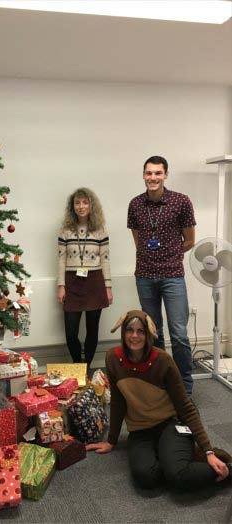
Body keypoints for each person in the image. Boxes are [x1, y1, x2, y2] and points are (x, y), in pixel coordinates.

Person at [86, 310, 231, 491]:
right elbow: (117, 402)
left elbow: (186, 407)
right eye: (129, 330)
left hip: (170, 423)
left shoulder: (162, 360)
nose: (134, 336)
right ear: (123, 333)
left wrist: (208, 451)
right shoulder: (113, 358)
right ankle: (176, 459)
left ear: (148, 334)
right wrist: (111, 441)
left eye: (141, 331)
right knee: (146, 477)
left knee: (178, 476)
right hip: (140, 430)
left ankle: (225, 469)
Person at [127, 155, 196, 395]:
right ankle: (159, 380)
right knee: (153, 333)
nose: (153, 177)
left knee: (179, 333)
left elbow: (189, 241)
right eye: (149, 173)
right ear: (143, 175)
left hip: (172, 275)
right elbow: (138, 240)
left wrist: (170, 254)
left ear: (166, 175)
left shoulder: (181, 202)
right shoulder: (135, 204)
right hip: (145, 275)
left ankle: (184, 385)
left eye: (158, 173)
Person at [57, 187, 113, 369]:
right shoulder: (65, 230)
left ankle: (86, 367)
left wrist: (108, 288)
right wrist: (61, 286)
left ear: (91, 205)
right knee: (71, 332)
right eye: (77, 202)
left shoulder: (100, 230)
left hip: (94, 282)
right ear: (72, 206)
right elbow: (61, 259)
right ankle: (76, 364)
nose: (81, 206)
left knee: (92, 329)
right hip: (72, 282)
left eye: (85, 202)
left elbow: (105, 260)